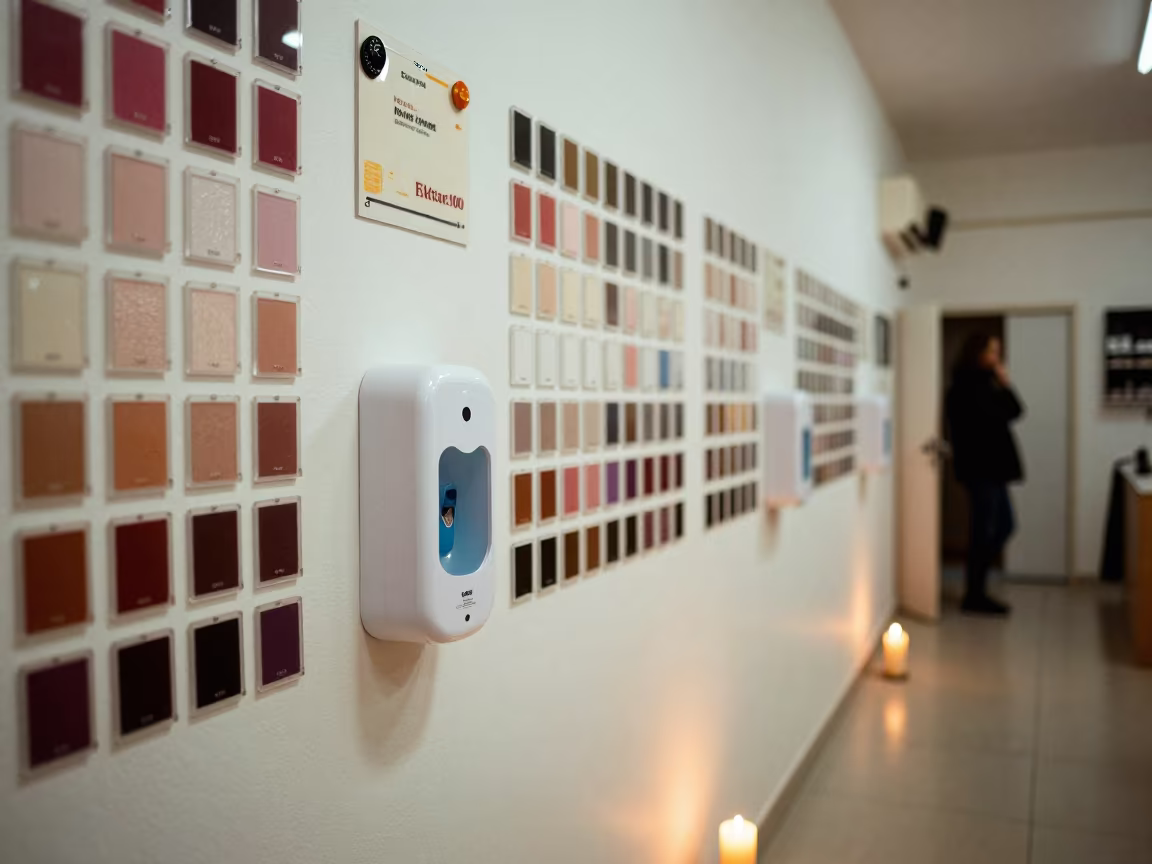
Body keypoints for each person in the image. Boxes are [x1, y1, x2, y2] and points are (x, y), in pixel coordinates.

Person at [945, 333, 1025, 616]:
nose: (996, 358)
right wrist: (1001, 386)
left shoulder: (987, 383)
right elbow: (1001, 415)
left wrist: (1004, 384)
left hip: (992, 472)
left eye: (997, 352)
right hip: (981, 472)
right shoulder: (967, 385)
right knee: (985, 530)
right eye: (992, 351)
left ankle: (975, 589)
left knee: (1003, 526)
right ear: (977, 352)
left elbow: (1016, 410)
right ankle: (975, 594)